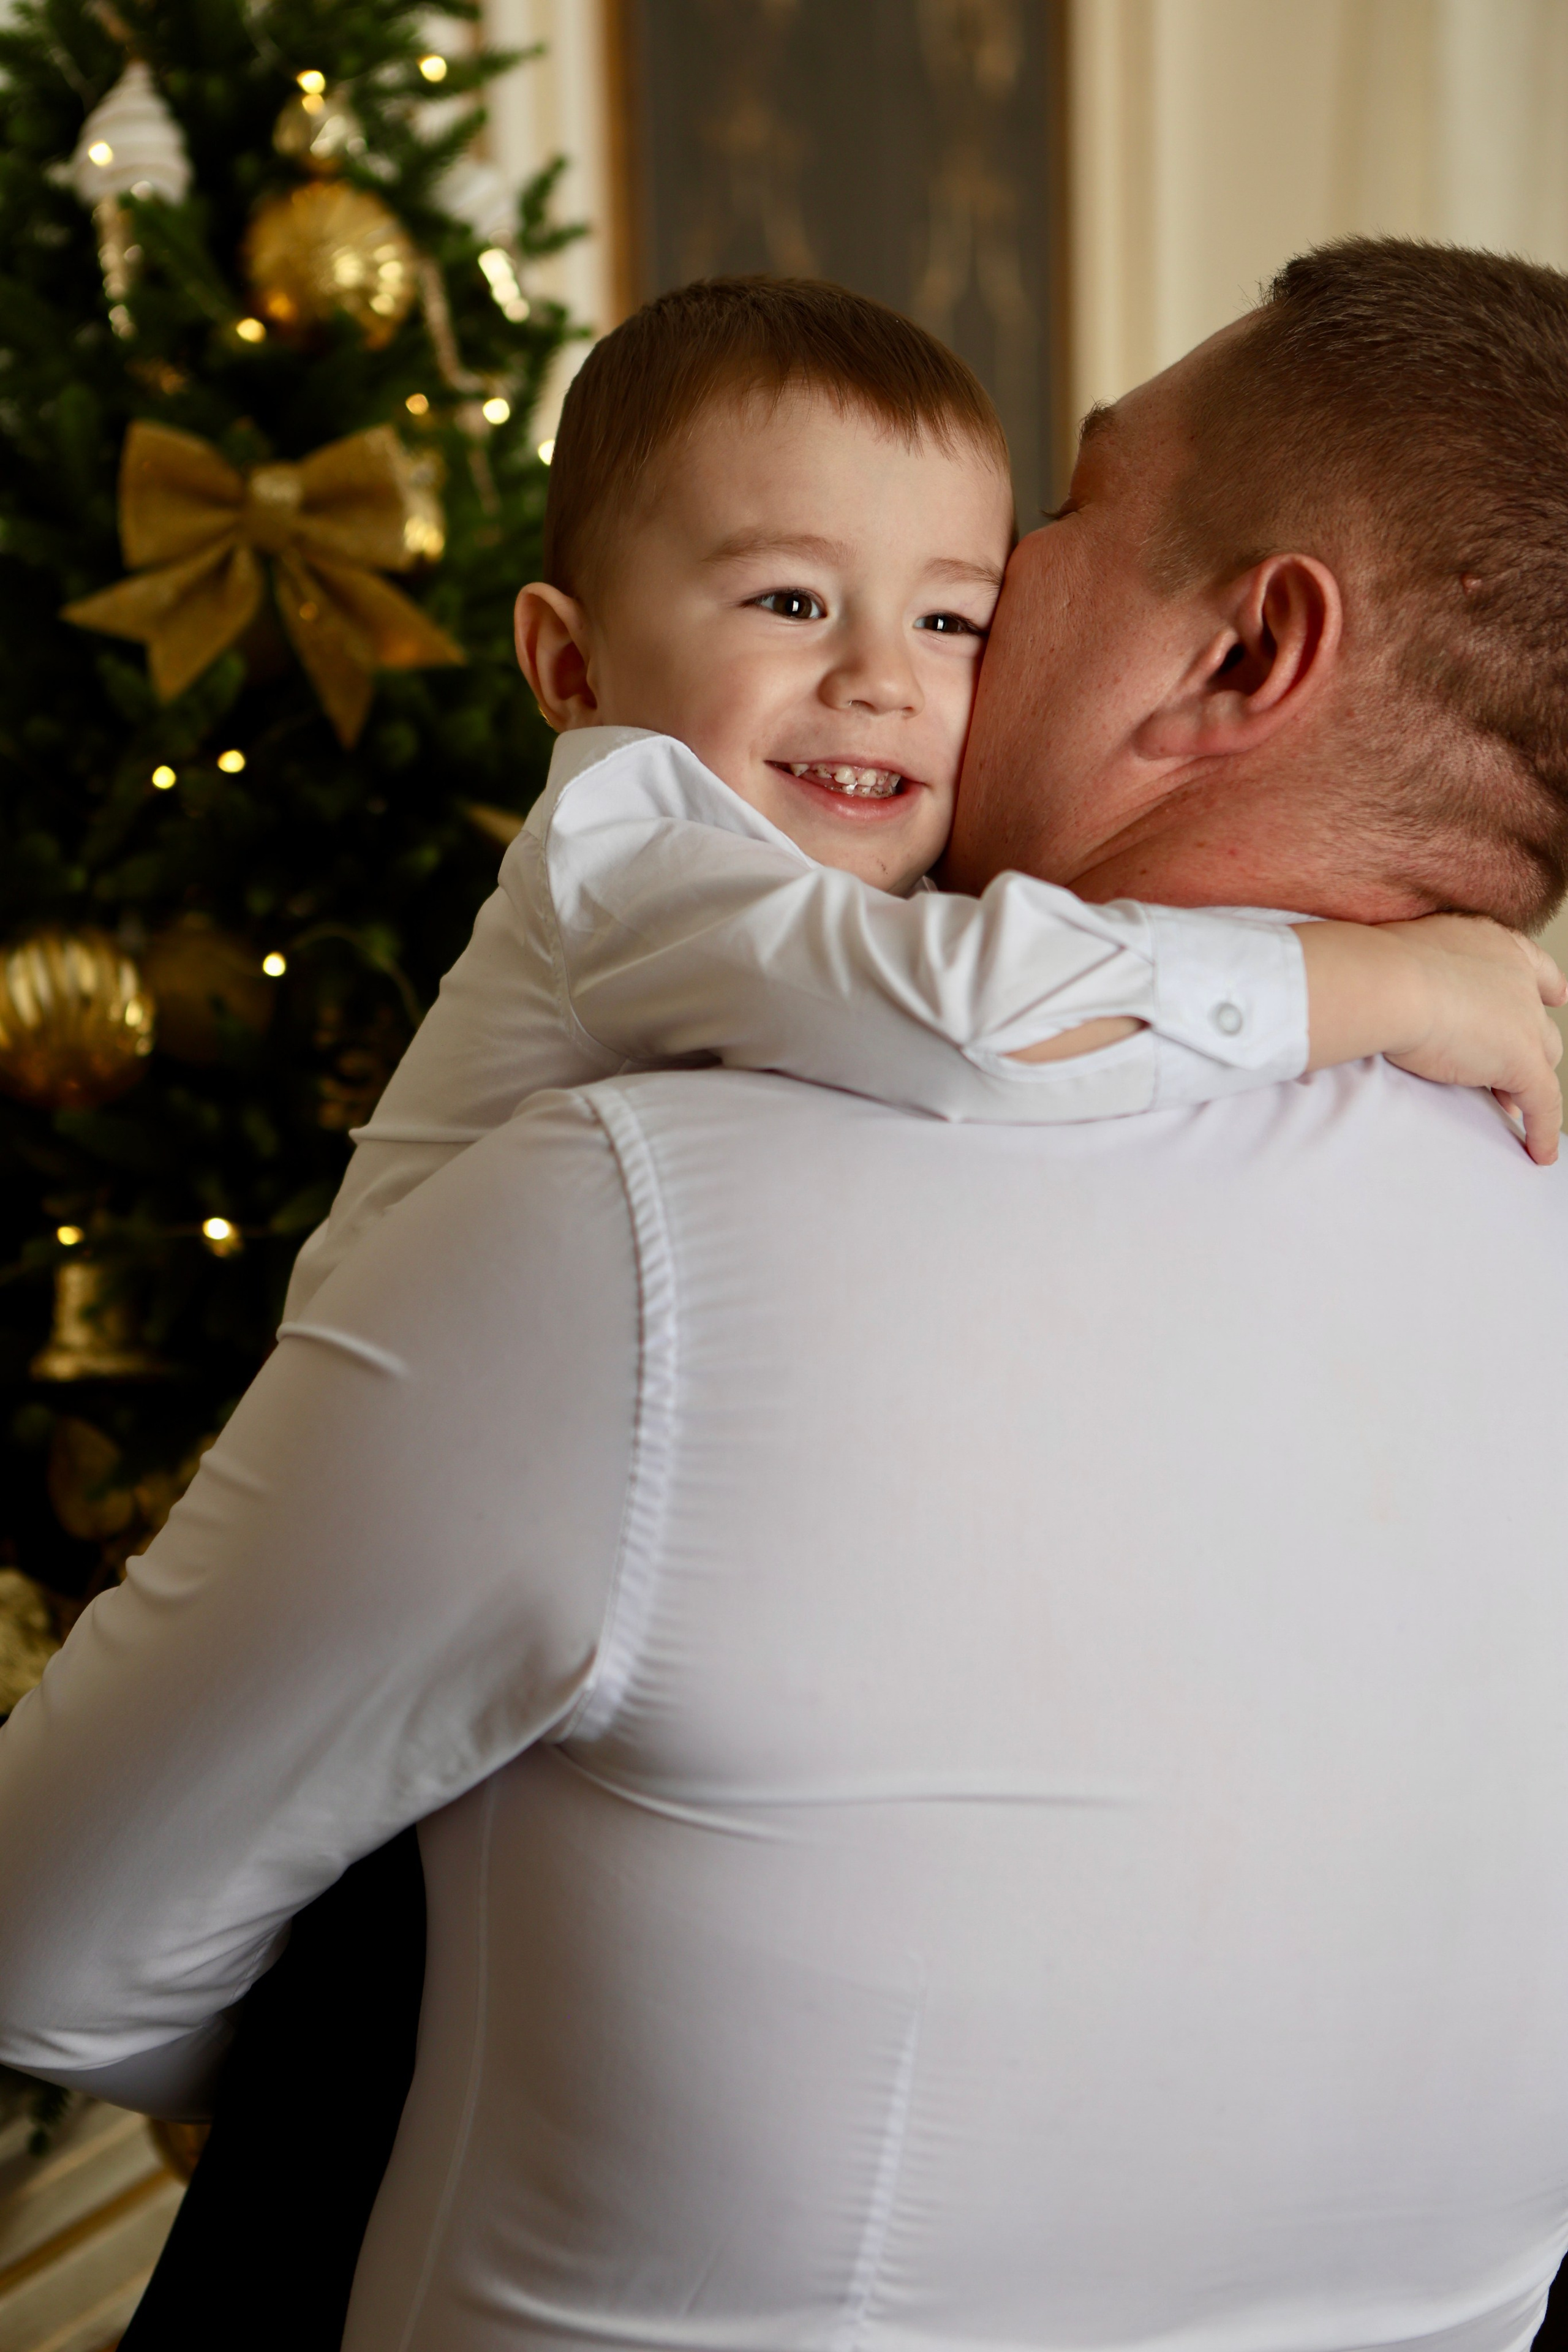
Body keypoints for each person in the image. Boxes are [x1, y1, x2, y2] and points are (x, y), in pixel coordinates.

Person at [5, 236, 1568, 2352]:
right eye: (800, 596)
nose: (950, 625)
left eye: (1055, 521)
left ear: (1240, 660)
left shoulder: (652, 1232)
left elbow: (52, 1940)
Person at [284, 276, 1566, 1327]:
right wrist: (1394, 987)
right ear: (571, 667)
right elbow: (961, 1011)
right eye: (788, 601)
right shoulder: (630, 851)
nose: (881, 680)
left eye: (951, 616)